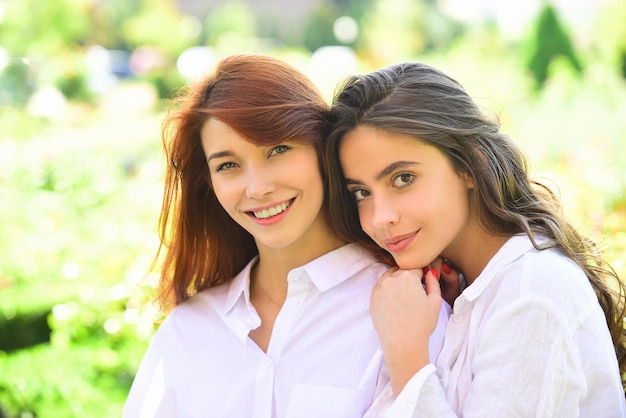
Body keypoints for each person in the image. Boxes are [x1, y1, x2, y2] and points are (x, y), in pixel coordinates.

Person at [123, 54, 451, 418]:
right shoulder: (188, 330)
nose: (258, 187)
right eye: (228, 165)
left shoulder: (408, 311)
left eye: (278, 150)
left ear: (321, 150)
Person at [325, 61, 626, 416]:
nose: (380, 217)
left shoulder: (532, 293)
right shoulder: (466, 291)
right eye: (361, 192)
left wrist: (406, 356)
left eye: (403, 178)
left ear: (470, 165)